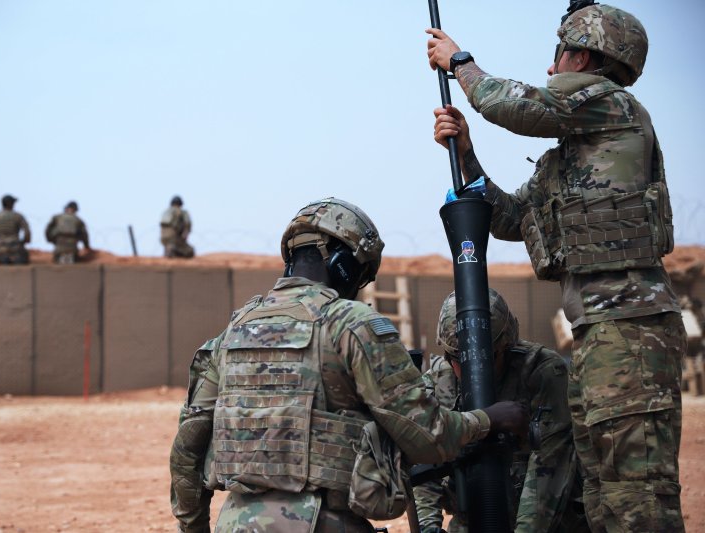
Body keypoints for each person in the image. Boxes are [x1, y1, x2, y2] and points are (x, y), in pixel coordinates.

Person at [425, 3, 686, 531]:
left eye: (558, 54)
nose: (550, 68)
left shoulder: (610, 102)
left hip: (629, 328)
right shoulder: (568, 158)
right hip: (598, 331)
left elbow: (514, 105)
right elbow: (510, 218)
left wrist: (460, 63)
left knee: (635, 493)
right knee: (601, 491)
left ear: (583, 56)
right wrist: (468, 154)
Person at [169, 197, 528, 533]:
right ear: (344, 265)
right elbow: (428, 437)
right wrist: (490, 419)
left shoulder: (232, 332)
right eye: (361, 275)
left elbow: (187, 450)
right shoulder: (351, 324)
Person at [413, 289, 587, 533]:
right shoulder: (439, 383)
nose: (468, 369)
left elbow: (549, 467)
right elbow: (426, 467)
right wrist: (428, 527)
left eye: (484, 358)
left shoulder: (541, 373)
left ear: (507, 345)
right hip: (473, 519)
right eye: (456, 358)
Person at [0, 194, 31, 265]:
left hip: (0, 247)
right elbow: (27, 233)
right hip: (16, 247)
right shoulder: (18, 216)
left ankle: (3, 260)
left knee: (0, 257)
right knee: (22, 258)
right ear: (10, 204)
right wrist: (24, 242)